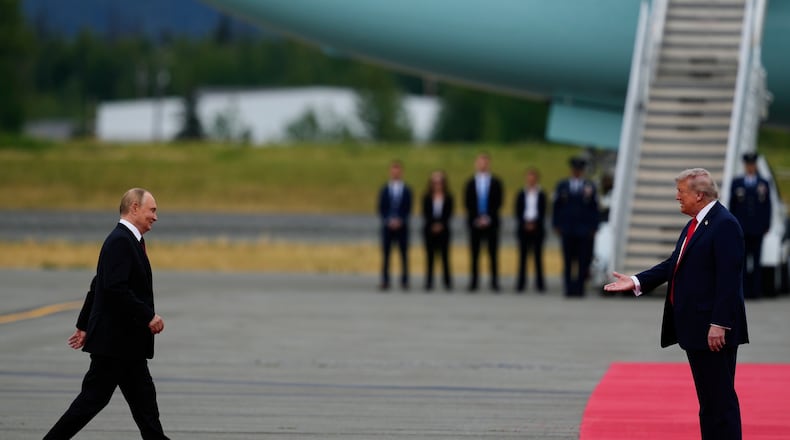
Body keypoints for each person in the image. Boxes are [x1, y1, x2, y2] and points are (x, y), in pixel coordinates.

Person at [604, 168, 748, 440]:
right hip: (696, 329)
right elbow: (675, 264)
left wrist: (719, 324)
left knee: (721, 403)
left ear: (699, 194)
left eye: (681, 192)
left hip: (713, 332)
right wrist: (636, 281)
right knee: (709, 404)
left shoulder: (724, 224)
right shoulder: (698, 222)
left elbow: (729, 280)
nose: (677, 197)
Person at [44, 188, 169, 439]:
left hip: (126, 346)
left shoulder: (127, 241)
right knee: (91, 402)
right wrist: (148, 315)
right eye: (152, 210)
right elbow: (113, 288)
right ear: (134, 208)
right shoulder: (121, 241)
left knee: (145, 408)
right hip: (116, 345)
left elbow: (97, 284)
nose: (155, 217)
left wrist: (83, 324)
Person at [552, 157, 599, 297]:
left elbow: (594, 208)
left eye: (579, 169)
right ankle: (568, 288)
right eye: (575, 169)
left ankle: (579, 288)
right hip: (567, 228)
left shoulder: (589, 186)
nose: (577, 172)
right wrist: (556, 224)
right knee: (567, 260)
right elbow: (556, 207)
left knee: (582, 260)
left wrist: (593, 226)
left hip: (583, 229)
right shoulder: (562, 186)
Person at [729, 152, 772, 299]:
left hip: (757, 228)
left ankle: (756, 290)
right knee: (742, 261)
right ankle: (743, 291)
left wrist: (767, 224)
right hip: (742, 228)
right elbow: (732, 206)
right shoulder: (737, 183)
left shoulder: (763, 183)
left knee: (756, 260)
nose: (750, 167)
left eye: (752, 165)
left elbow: (767, 206)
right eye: (748, 165)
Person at [464, 152, 504, 292]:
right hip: (475, 223)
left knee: (493, 253)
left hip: (491, 223)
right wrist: (477, 218)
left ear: (489, 163)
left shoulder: (496, 182)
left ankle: (494, 282)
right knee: (474, 254)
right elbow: (468, 202)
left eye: (485, 161)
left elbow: (498, 202)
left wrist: (488, 218)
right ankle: (474, 281)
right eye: (480, 161)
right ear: (476, 163)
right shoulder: (470, 182)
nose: (483, 164)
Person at [377, 160, 413, 290]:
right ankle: (385, 280)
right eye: (393, 170)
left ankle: (404, 280)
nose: (395, 172)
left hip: (402, 227)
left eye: (398, 170)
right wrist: (389, 220)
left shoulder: (407, 190)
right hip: (388, 227)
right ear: (390, 172)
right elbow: (381, 208)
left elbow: (408, 208)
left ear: (401, 172)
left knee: (403, 254)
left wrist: (400, 220)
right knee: (386, 254)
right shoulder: (385, 189)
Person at [514, 167, 547, 293]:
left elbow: (543, 211)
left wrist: (534, 223)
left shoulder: (541, 194)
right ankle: (521, 284)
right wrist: (525, 223)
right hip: (524, 227)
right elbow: (517, 211)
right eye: (529, 177)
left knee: (538, 257)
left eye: (533, 178)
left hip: (537, 228)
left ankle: (540, 284)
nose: (531, 180)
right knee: (522, 257)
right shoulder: (521, 193)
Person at [421, 170, 454, 291]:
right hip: (429, 230)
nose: (437, 184)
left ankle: (447, 282)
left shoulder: (448, 197)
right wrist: (433, 225)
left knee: (445, 257)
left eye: (440, 182)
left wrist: (441, 225)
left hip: (444, 230)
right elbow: (425, 213)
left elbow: (449, 214)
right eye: (435, 182)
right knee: (429, 257)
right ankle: (429, 282)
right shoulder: (426, 197)